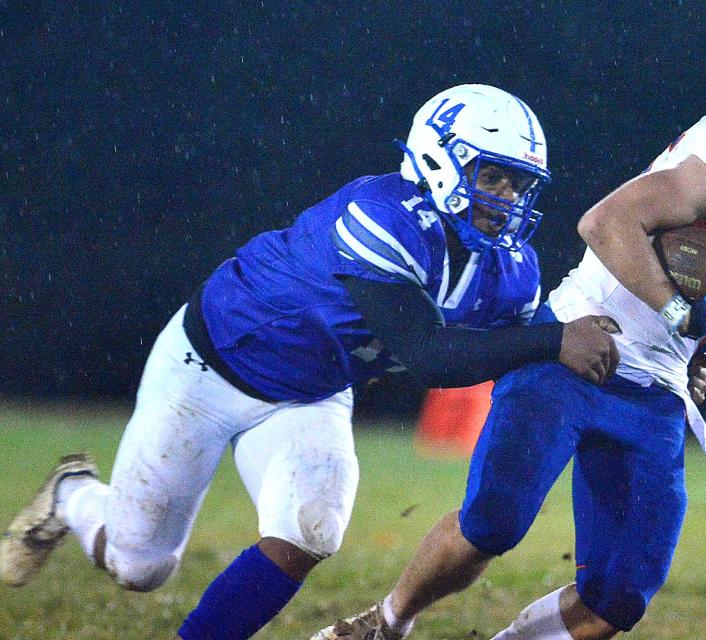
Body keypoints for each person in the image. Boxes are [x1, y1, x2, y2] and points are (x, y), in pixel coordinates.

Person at [315, 25, 706, 640]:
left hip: (654, 384)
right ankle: (385, 623)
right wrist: (680, 318)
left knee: (620, 595)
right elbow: (606, 223)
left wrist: (691, 347)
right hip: (577, 343)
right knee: (494, 521)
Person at [0, 84, 623, 640]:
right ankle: (73, 493)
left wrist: (645, 374)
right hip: (210, 368)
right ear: (439, 159)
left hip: (312, 391)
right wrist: (555, 341)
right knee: (139, 567)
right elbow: (430, 355)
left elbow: (533, 360)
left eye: (518, 183)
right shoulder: (381, 215)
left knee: (312, 527)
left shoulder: (510, 270)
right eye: (492, 177)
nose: (507, 198)